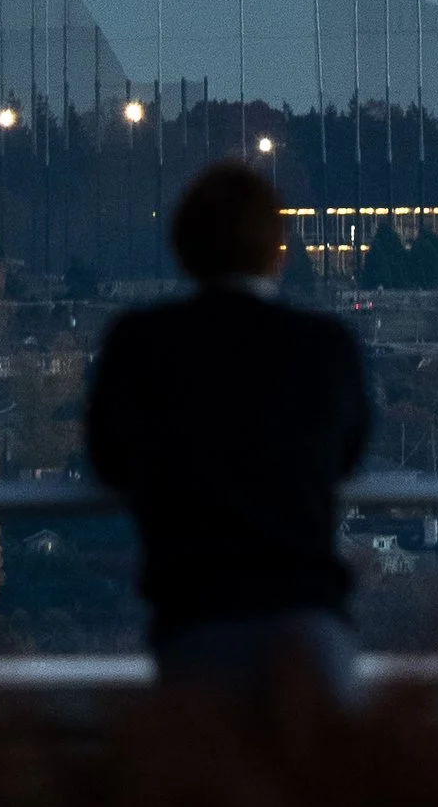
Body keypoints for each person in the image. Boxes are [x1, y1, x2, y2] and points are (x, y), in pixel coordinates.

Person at [85, 157, 371, 697]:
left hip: (199, 617)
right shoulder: (325, 346)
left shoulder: (141, 344)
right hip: (307, 616)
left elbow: (107, 458)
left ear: (181, 250)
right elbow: (349, 453)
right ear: (278, 253)